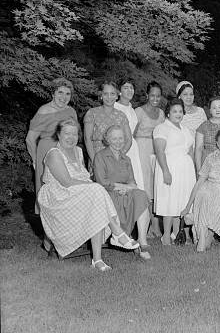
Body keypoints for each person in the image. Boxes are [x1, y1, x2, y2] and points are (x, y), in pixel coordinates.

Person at [38, 119, 139, 271]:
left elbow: (83, 176)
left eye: (74, 134)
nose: (71, 137)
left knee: (96, 201)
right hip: (58, 196)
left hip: (76, 193)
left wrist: (92, 185)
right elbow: (66, 182)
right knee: (96, 191)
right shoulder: (54, 154)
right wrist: (93, 186)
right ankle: (118, 233)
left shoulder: (78, 151)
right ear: (58, 135)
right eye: (66, 133)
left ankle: (97, 260)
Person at [93, 125, 151, 260]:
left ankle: (142, 242)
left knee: (141, 195)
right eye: (114, 138)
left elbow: (133, 183)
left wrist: (127, 188)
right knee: (129, 196)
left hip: (125, 192)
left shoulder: (126, 159)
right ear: (107, 139)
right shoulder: (100, 156)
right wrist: (120, 186)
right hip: (108, 194)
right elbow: (102, 182)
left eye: (120, 138)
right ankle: (122, 237)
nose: (118, 141)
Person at [26, 77, 78, 218]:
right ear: (53, 93)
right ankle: (48, 239)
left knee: (68, 192)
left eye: (67, 94)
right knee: (49, 196)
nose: (63, 97)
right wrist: (36, 160)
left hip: (67, 153)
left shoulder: (71, 112)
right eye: (60, 92)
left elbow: (74, 135)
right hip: (47, 154)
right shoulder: (44, 111)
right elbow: (30, 139)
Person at [181, 129, 220, 252]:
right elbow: (200, 182)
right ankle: (203, 238)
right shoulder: (211, 157)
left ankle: (208, 235)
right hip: (207, 188)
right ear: (217, 144)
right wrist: (188, 206)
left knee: (215, 196)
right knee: (205, 194)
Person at [153, 98, 196, 245]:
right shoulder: (162, 128)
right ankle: (165, 236)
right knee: (169, 201)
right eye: (174, 111)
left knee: (181, 201)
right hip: (170, 166)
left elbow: (190, 150)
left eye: (180, 111)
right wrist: (165, 171)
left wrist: (193, 171)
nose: (178, 114)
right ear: (168, 113)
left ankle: (177, 233)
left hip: (185, 169)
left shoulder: (185, 129)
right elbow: (159, 151)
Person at [134, 81, 165, 236]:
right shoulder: (138, 111)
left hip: (156, 151)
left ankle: (155, 226)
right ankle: (143, 229)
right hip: (141, 150)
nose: (155, 98)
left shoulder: (161, 114)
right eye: (152, 95)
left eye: (158, 96)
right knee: (144, 187)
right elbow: (131, 135)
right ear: (147, 95)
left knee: (155, 187)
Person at [83, 81, 132, 166]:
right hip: (97, 157)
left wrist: (120, 156)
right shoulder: (92, 113)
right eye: (105, 94)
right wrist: (95, 160)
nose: (109, 97)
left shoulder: (121, 115)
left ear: (117, 96)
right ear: (101, 96)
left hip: (116, 160)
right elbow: (87, 139)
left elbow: (128, 140)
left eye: (112, 94)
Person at [113, 79, 145, 190]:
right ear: (119, 91)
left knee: (135, 177)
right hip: (119, 146)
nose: (129, 90)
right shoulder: (115, 107)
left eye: (131, 88)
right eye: (126, 87)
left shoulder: (132, 109)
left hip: (133, 147)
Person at [195, 96, 220, 171]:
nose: (217, 110)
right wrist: (199, 170)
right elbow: (198, 149)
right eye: (214, 108)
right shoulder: (203, 126)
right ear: (210, 110)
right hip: (207, 164)